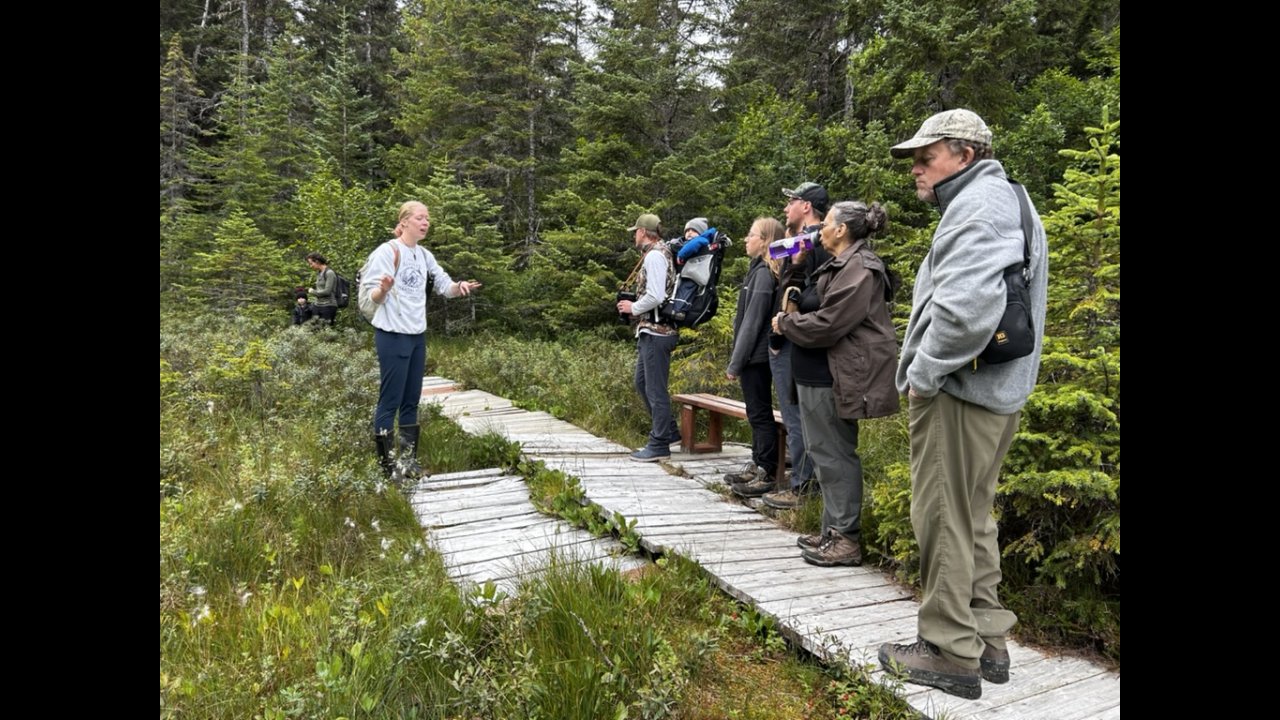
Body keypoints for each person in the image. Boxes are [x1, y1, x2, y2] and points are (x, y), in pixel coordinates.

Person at [876, 109, 1048, 701]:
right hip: (995, 393)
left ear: (965, 155)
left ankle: (949, 652)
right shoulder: (1009, 199)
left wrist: (923, 374)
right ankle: (988, 638)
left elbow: (966, 309)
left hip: (959, 391)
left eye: (926, 158)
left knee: (943, 515)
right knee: (973, 515)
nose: (916, 171)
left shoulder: (978, 206)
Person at [772, 201, 899, 567]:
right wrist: (794, 271)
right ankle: (833, 530)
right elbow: (808, 303)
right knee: (821, 453)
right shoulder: (836, 264)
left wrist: (786, 325)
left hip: (836, 376)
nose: (819, 230)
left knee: (836, 454)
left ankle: (847, 538)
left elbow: (830, 324)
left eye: (825, 223)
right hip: (815, 374)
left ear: (842, 229)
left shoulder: (861, 268)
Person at [360, 201, 482, 482]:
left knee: (412, 400)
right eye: (419, 218)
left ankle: (409, 462)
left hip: (416, 336)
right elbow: (372, 299)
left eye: (427, 218)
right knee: (389, 401)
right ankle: (388, 468)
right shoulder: (387, 251)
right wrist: (383, 289)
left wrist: (459, 287)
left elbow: (444, 286)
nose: (425, 222)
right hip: (392, 334)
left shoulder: (424, 255)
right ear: (404, 222)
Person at [736, 183, 826, 503]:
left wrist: (784, 327)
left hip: (796, 342)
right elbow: (775, 261)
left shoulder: (818, 241)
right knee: (793, 415)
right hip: (785, 340)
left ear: (806, 206)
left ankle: (803, 487)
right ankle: (800, 480)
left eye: (792, 202)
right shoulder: (797, 243)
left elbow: (815, 294)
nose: (786, 208)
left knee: (797, 416)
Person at [723, 217, 782, 491]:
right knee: (756, 411)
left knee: (759, 413)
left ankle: (765, 470)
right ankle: (758, 462)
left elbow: (752, 322)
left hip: (756, 357)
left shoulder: (762, 274)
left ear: (766, 241)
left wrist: (736, 363)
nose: (747, 239)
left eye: (751, 234)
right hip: (756, 356)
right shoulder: (759, 270)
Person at [616, 213, 680, 462]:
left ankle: (659, 443)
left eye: (636, 231)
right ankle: (670, 432)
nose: (634, 235)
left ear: (643, 232)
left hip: (657, 331)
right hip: (652, 331)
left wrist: (632, 308)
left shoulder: (654, 255)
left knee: (655, 389)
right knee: (642, 383)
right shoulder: (660, 253)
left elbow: (655, 296)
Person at [306, 252, 338, 327]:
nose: (310, 266)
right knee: (315, 330)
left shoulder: (329, 273)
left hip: (328, 306)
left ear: (317, 261)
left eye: (311, 263)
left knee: (326, 332)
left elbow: (327, 291)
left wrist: (312, 291)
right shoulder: (319, 273)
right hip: (317, 305)